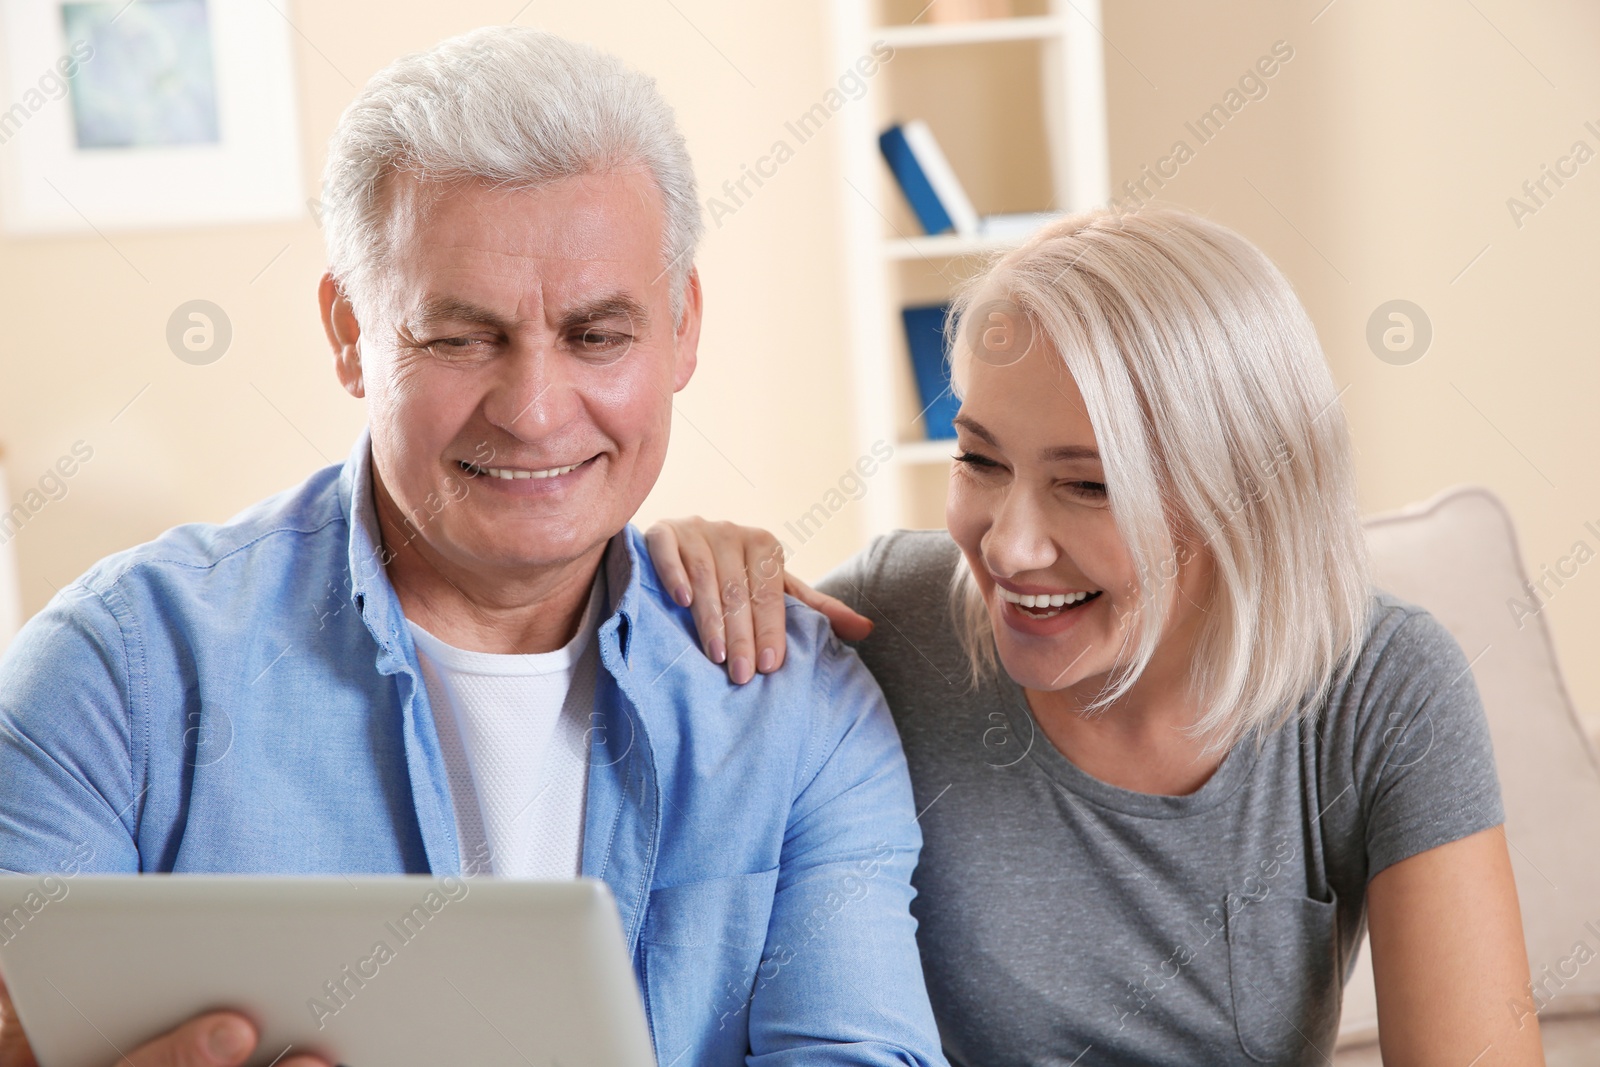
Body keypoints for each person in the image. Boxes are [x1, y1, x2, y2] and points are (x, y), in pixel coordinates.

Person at [0, 27, 946, 1067]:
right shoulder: (115, 673)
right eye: (459, 338)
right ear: (349, 333)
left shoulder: (796, 704)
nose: (535, 412)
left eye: (596, 335)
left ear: (682, 325)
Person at [646, 208, 1545, 1065]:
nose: (1008, 545)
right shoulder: (893, 624)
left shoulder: (1380, 688)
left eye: (1089, 486)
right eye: (979, 460)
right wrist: (685, 577)